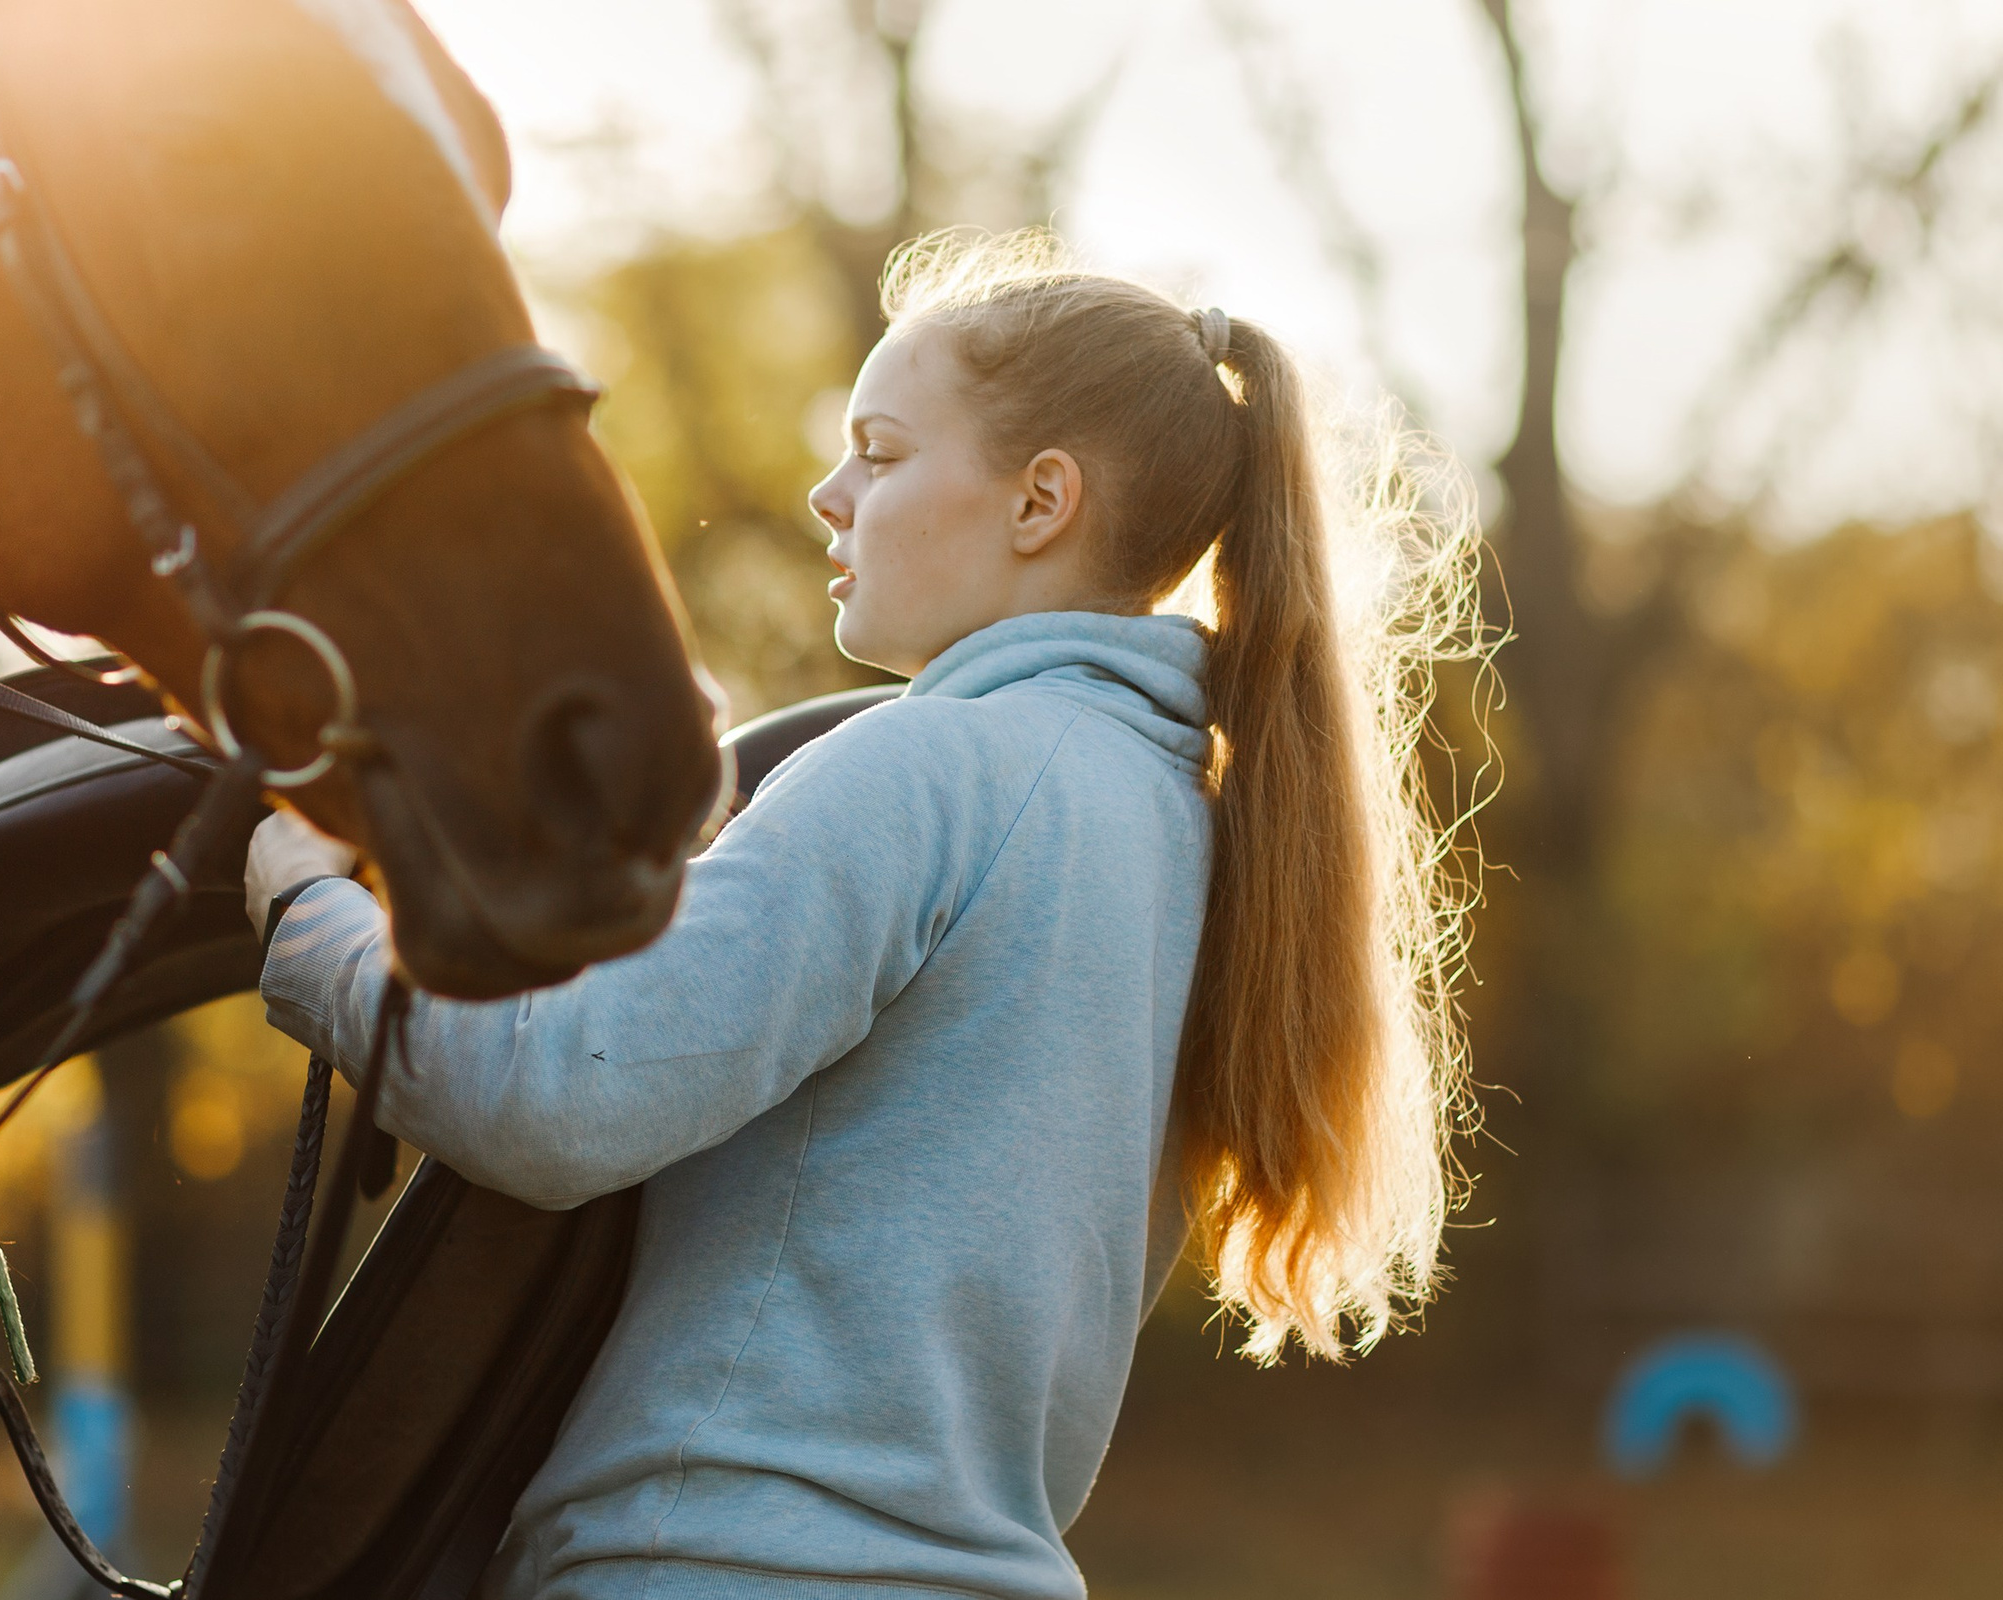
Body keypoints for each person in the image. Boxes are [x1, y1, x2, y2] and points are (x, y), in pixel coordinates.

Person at [243, 228, 1482, 1600]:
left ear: (1040, 502)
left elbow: (555, 1096)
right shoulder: (1202, 827)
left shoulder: (927, 768)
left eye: (882, 454)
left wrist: (310, 920)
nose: (830, 496)